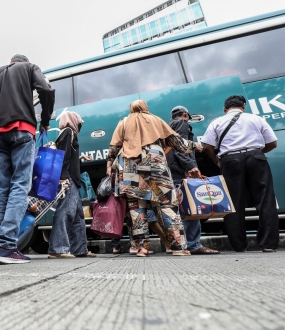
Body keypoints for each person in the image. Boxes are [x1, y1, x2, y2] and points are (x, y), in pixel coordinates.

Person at [0, 54, 55, 264]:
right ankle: (7, 245)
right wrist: (46, 119)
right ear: (22, 61)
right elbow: (46, 90)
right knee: (20, 185)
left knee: (1, 188)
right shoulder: (30, 67)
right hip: (22, 130)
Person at [106, 100, 195, 257]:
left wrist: (109, 164)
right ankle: (178, 247)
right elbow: (178, 143)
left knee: (136, 209)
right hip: (155, 162)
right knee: (167, 205)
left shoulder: (124, 122)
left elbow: (114, 148)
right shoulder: (155, 119)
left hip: (130, 165)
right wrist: (195, 146)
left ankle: (142, 249)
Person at [202, 95, 279, 252]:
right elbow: (273, 142)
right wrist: (257, 153)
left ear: (225, 109)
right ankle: (268, 244)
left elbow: (207, 146)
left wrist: (216, 160)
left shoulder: (216, 122)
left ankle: (239, 245)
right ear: (243, 106)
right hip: (255, 156)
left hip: (230, 160)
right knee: (265, 200)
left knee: (233, 202)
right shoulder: (256, 119)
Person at [167, 106, 219, 255]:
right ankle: (193, 244)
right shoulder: (181, 123)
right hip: (180, 171)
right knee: (191, 208)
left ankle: (182, 244)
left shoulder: (169, 126)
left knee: (179, 211)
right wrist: (191, 166)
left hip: (173, 172)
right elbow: (180, 147)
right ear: (184, 114)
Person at [48, 112, 95, 259]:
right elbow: (64, 156)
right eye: (79, 123)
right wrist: (63, 178)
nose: (79, 125)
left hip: (72, 179)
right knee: (66, 211)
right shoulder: (68, 132)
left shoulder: (67, 134)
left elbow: (69, 155)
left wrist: (80, 157)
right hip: (68, 179)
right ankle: (58, 248)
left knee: (77, 216)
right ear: (73, 121)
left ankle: (79, 249)